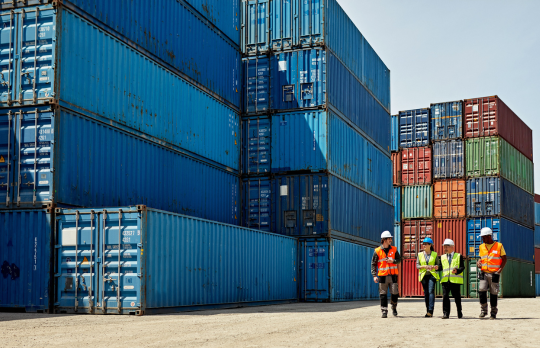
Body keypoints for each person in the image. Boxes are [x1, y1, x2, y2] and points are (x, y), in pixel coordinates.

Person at [476, 227, 507, 319]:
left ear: (489, 236)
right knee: (481, 291)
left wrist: (500, 270)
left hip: (494, 273)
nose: (482, 239)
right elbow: (481, 258)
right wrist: (478, 263)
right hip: (483, 273)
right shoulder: (481, 246)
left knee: (493, 293)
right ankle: (483, 310)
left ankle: (493, 312)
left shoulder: (499, 246)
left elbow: (504, 259)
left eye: (484, 237)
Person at [371, 230, 401, 318]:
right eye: (389, 238)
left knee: (395, 293)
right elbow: (373, 263)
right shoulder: (377, 251)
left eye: (391, 238)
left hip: (393, 276)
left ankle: (394, 307)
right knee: (383, 294)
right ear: (384, 239)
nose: (391, 240)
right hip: (382, 276)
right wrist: (374, 275)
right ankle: (384, 311)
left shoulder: (394, 249)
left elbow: (399, 260)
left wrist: (393, 261)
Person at [440, 239, 464, 319]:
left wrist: (457, 271)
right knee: (445, 296)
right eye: (444, 246)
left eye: (447, 246)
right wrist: (436, 267)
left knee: (457, 297)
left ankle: (459, 312)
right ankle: (446, 314)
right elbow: (441, 267)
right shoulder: (442, 257)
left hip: (455, 280)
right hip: (445, 280)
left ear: (452, 247)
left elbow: (462, 267)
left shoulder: (458, 256)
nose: (445, 248)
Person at [417, 237, 441, 317]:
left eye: (426, 244)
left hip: (432, 275)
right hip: (423, 276)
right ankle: (428, 310)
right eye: (423, 244)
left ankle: (430, 310)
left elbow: (438, 265)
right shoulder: (420, 254)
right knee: (426, 293)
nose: (424, 245)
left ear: (430, 245)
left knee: (431, 291)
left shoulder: (434, 254)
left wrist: (434, 267)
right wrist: (423, 266)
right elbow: (417, 265)